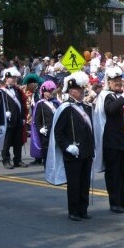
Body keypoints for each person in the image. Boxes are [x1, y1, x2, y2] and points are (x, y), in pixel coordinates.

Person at [45, 71, 94, 221]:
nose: (81, 92)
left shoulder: (86, 107)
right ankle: (73, 210)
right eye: (78, 89)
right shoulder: (65, 108)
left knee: (85, 182)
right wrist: (67, 147)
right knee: (74, 183)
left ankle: (83, 209)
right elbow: (58, 133)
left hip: (86, 150)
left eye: (82, 89)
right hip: (73, 151)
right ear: (70, 90)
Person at [93, 66, 124, 213]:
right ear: (108, 82)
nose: (118, 82)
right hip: (111, 142)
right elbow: (111, 110)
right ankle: (115, 202)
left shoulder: (122, 95)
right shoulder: (106, 96)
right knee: (113, 173)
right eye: (114, 80)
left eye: (119, 79)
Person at [0, 67, 28, 169]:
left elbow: (21, 104)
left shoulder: (17, 91)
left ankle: (18, 160)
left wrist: (22, 116)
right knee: (6, 142)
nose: (14, 79)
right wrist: (4, 114)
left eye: (15, 78)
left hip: (18, 119)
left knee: (18, 142)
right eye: (12, 78)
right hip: (8, 120)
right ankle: (6, 160)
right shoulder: (1, 91)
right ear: (6, 78)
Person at [31, 81, 60, 168]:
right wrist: (40, 128)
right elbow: (36, 119)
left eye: (51, 91)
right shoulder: (40, 104)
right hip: (46, 130)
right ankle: (47, 166)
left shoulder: (57, 103)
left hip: (56, 130)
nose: (50, 93)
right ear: (43, 92)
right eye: (48, 91)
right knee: (46, 149)